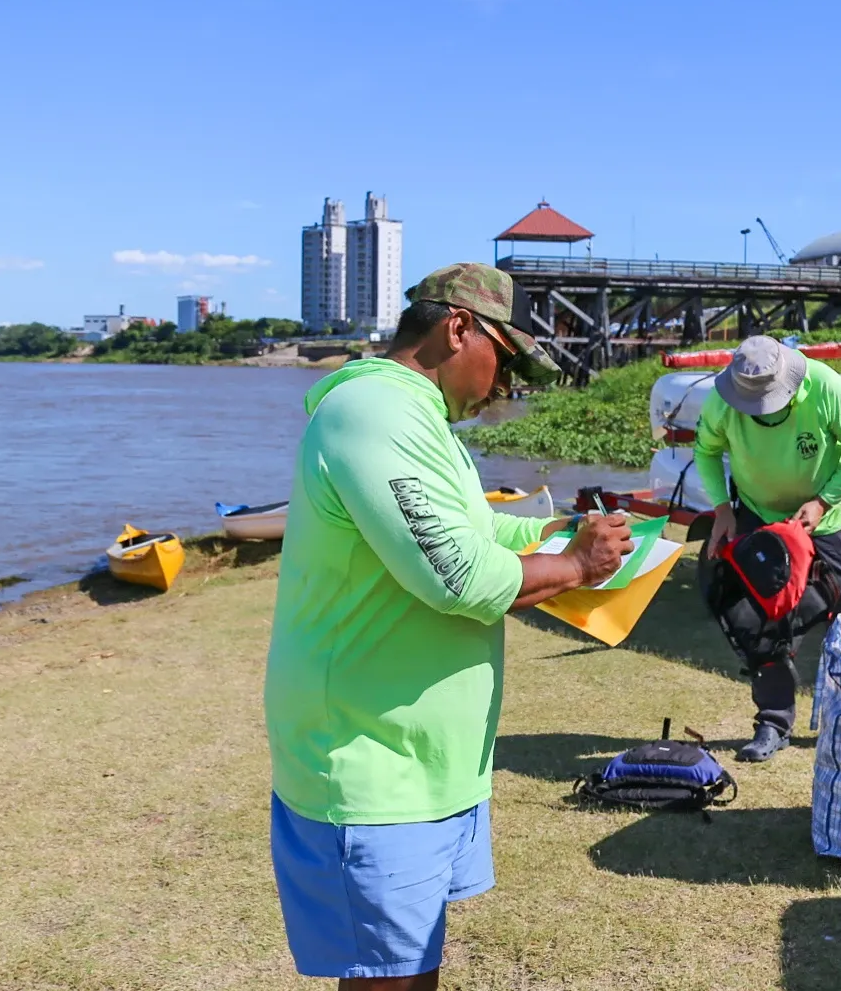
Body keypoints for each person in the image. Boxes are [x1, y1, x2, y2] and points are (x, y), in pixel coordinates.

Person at [265, 262, 633, 991]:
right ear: (457, 327)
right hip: (371, 757)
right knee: (386, 978)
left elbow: (474, 529)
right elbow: (458, 574)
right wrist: (575, 566)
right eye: (508, 354)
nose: (509, 380)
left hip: (426, 759)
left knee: (413, 963)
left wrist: (556, 532)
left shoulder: (418, 416)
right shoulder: (375, 412)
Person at [692, 334, 841, 762]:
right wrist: (722, 509)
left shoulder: (828, 388)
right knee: (758, 620)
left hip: (826, 517)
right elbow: (705, 452)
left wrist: (822, 501)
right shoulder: (721, 402)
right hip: (758, 515)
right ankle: (774, 721)